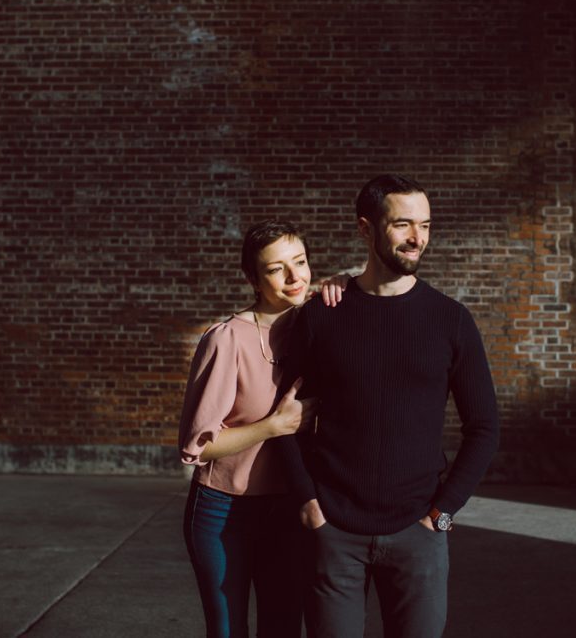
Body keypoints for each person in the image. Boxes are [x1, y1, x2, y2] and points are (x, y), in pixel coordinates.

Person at [278, 174, 500, 638]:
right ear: (366, 229)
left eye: (426, 225)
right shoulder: (322, 314)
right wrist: (307, 501)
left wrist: (444, 512)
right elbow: (283, 418)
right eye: (402, 224)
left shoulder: (451, 320)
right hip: (333, 529)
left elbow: (484, 427)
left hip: (418, 529)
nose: (418, 238)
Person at [178, 219, 327, 638]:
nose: (294, 276)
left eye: (300, 262)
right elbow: (196, 447)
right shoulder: (226, 339)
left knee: (283, 627)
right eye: (277, 268)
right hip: (224, 510)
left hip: (291, 509)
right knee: (228, 630)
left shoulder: (317, 327)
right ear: (253, 279)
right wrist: (273, 426)